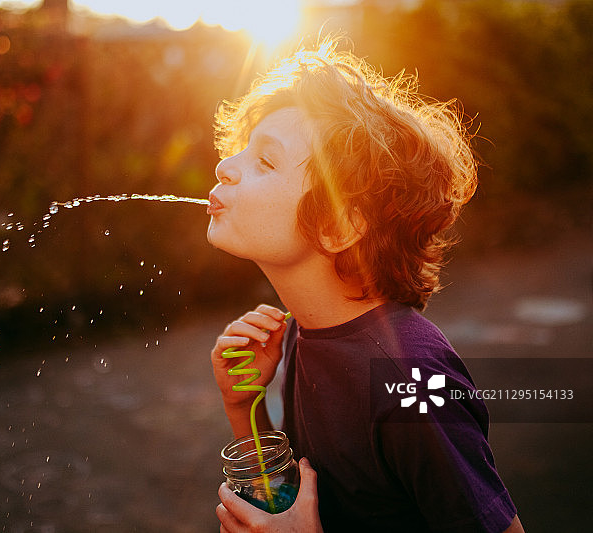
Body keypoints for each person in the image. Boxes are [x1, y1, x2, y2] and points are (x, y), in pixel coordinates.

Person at [207, 39, 524, 533]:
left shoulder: (409, 376)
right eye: (243, 150)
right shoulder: (303, 330)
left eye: (265, 161)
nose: (226, 166)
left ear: (338, 227)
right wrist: (244, 407)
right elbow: (302, 497)